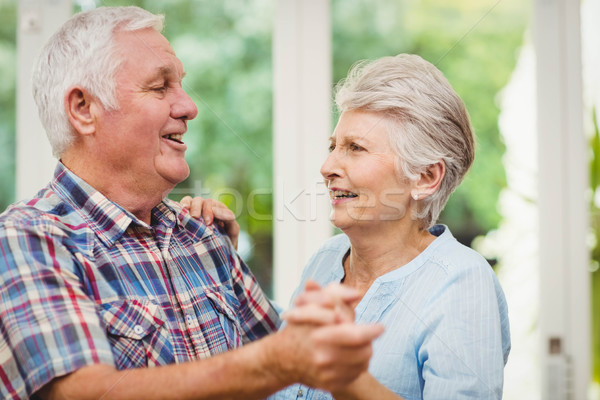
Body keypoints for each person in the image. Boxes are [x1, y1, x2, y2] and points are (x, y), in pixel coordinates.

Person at [0, 6, 383, 400]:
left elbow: (295, 373)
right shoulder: (28, 237)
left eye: (180, 85)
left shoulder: (202, 236)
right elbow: (83, 393)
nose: (189, 107)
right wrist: (275, 361)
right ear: (84, 109)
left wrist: (324, 337)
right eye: (160, 87)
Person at [192, 54, 511, 399]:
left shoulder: (462, 281)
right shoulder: (327, 259)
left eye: (355, 148)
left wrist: (350, 381)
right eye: (333, 146)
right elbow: (278, 362)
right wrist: (222, 263)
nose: (327, 166)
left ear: (425, 177)